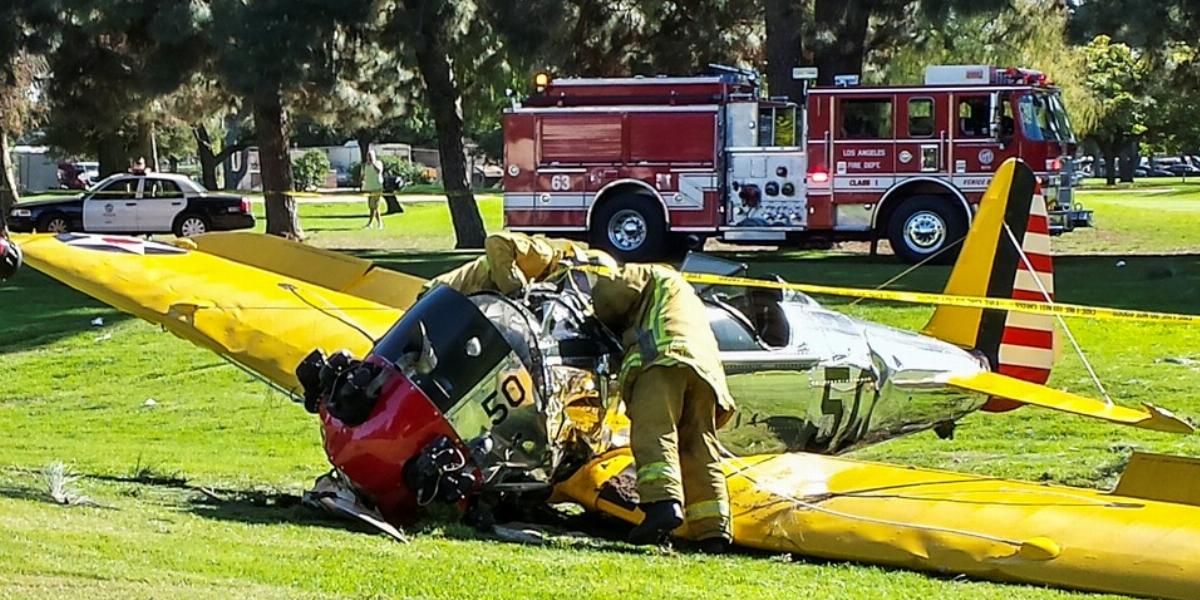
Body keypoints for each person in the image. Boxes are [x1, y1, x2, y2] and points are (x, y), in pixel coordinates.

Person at [588, 262, 736, 552]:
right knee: (699, 446)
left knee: (654, 432)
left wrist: (596, 317)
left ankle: (662, 508)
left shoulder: (647, 272)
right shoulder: (685, 292)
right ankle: (713, 531)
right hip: (704, 372)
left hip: (662, 360)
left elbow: (613, 293)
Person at [426, 232, 614, 296]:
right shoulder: (543, 254)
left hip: (464, 303)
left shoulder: (550, 275)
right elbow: (496, 241)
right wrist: (516, 288)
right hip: (441, 294)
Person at [362, 151, 385, 229]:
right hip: (369, 188)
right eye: (368, 156)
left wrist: (373, 163)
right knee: (373, 206)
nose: (369, 158)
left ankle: (370, 223)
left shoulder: (378, 163)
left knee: (374, 206)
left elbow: (378, 171)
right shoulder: (365, 166)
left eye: (370, 156)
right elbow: (364, 176)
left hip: (377, 187)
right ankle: (379, 223)